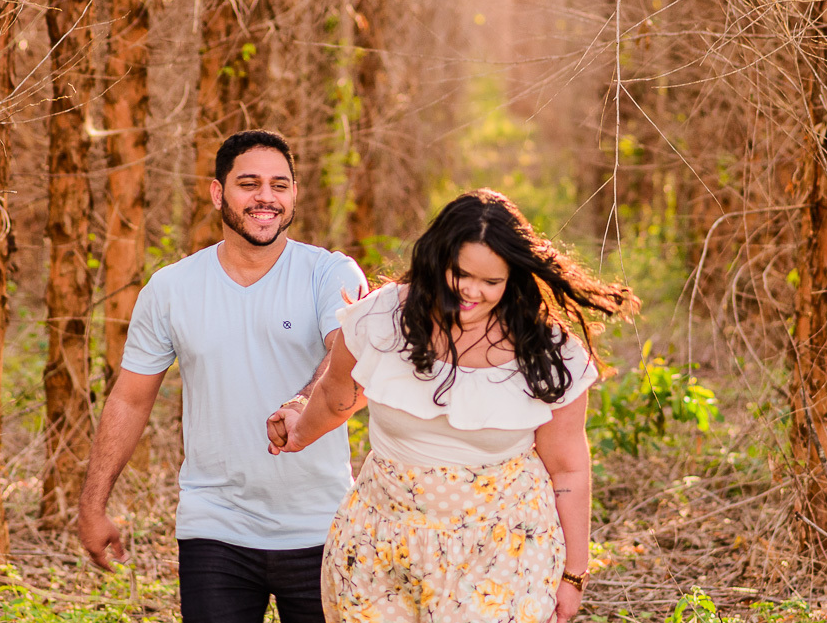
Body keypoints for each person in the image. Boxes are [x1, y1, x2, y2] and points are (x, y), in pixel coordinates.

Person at [267, 188, 638, 623]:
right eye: (459, 273)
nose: (471, 292)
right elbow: (335, 397)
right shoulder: (382, 320)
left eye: (491, 281)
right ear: (436, 259)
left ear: (513, 277)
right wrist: (298, 431)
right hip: (380, 542)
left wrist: (574, 573)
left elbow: (568, 466)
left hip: (503, 550)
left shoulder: (547, 350)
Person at [77, 129, 367, 623]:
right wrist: (93, 503)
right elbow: (129, 400)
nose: (266, 198)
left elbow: (344, 359)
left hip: (322, 525)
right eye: (248, 184)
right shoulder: (171, 288)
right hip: (215, 525)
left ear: (294, 193)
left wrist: (299, 404)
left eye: (280, 185)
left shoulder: (330, 274)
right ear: (218, 193)